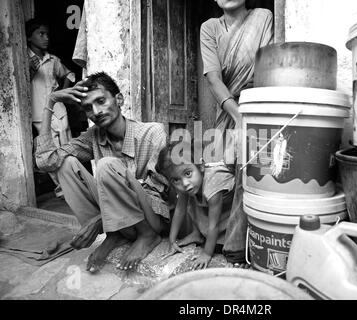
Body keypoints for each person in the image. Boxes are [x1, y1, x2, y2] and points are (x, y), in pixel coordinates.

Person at [35, 72, 170, 273]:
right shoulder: (93, 137)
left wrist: (100, 219)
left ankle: (146, 236)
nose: (96, 111)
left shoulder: (153, 133)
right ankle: (114, 234)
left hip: (152, 219)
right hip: (118, 220)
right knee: (66, 165)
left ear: (119, 99)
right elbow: (46, 161)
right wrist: (51, 101)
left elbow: (158, 192)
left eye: (100, 101)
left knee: (107, 166)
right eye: (88, 107)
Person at [200, 0, 273, 265]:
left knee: (253, 176)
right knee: (213, 181)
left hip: (258, 104)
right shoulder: (210, 28)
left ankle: (239, 250)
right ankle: (208, 242)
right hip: (228, 108)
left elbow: (268, 65)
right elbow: (213, 78)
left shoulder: (263, 17)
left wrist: (252, 113)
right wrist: (237, 115)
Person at [156, 140, 235, 269]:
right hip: (211, 209)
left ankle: (207, 241)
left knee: (227, 244)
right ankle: (198, 234)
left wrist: (206, 254)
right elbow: (180, 210)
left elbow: (213, 225)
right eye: (176, 180)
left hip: (230, 213)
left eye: (188, 173)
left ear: (201, 166)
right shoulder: (188, 184)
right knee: (188, 198)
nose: (185, 183)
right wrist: (172, 240)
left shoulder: (213, 183)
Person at [26, 18, 75, 198]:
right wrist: (30, 70)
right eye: (41, 34)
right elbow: (22, 84)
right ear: (30, 37)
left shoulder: (53, 59)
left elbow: (69, 73)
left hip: (59, 110)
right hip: (40, 113)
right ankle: (63, 188)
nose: (46, 38)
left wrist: (63, 91)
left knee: (67, 147)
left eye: (47, 34)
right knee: (49, 150)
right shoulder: (23, 59)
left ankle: (72, 184)